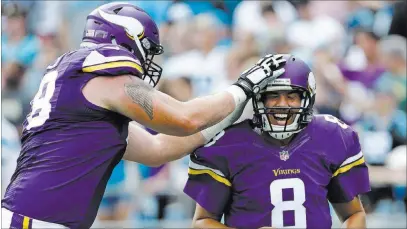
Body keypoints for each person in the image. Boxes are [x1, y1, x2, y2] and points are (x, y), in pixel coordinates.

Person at [1, 2, 287, 229]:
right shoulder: (103, 76)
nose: (147, 63)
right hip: (34, 220)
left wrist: (230, 114)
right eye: (146, 51)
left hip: (35, 217)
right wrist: (243, 88)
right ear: (128, 41)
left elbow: (158, 148)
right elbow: (184, 118)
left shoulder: (85, 96)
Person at [183, 55, 371, 229]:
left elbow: (354, 214)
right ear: (258, 99)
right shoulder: (228, 144)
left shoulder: (331, 136)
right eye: (273, 96)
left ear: (306, 99)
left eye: (291, 96)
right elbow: (202, 222)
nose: (282, 104)